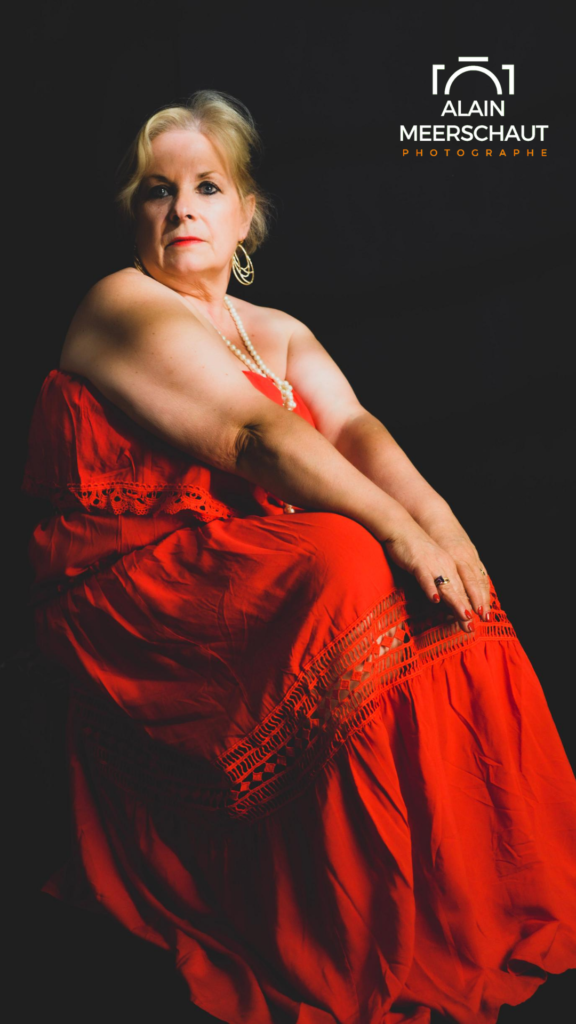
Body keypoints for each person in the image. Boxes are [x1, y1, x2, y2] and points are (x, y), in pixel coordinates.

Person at [22, 89, 576, 1024]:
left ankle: (469, 900)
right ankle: (339, 916)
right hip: (144, 586)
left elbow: (354, 430)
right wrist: (399, 533)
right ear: (133, 213)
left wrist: (445, 530)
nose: (182, 207)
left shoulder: (275, 328)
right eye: (157, 190)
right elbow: (252, 438)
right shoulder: (122, 302)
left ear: (246, 215)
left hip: (254, 559)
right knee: (349, 557)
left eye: (207, 187)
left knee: (462, 596)